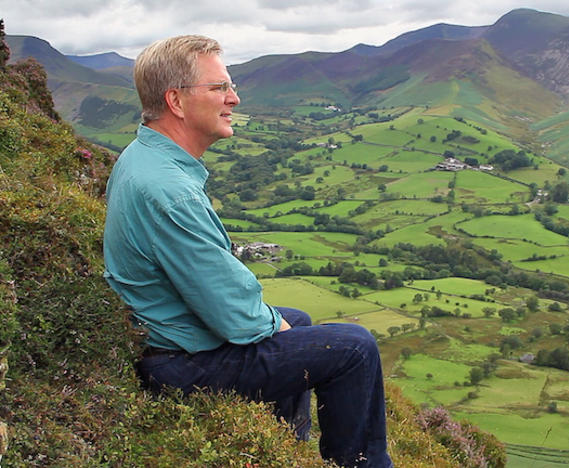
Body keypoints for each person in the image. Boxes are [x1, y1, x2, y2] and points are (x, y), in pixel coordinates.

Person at [102, 35, 393, 468]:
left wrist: (280, 327)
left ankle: (281, 447)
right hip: (178, 363)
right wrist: (275, 328)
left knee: (299, 320)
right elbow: (232, 313)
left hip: (164, 340)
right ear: (176, 101)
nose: (233, 98)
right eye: (219, 88)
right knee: (354, 348)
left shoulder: (144, 156)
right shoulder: (170, 192)